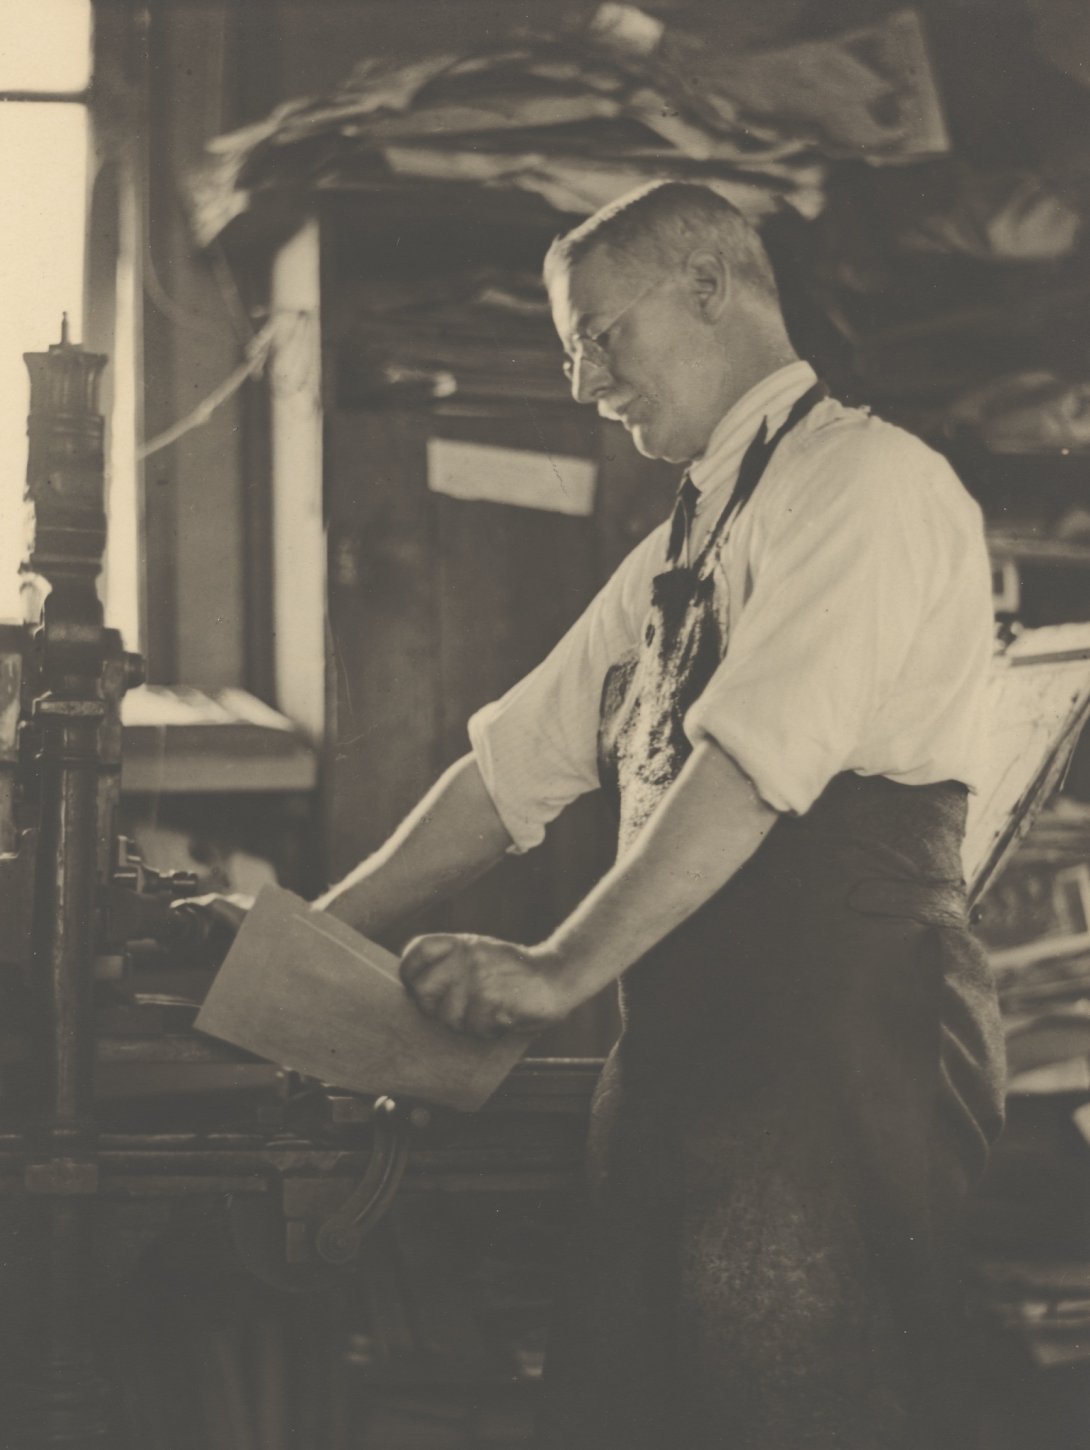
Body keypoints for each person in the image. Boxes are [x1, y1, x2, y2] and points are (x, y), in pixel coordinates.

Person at [205, 181, 1007, 1448]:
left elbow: (749, 766)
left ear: (706, 288)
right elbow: (509, 767)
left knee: (808, 1402)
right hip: (690, 1056)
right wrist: (297, 944)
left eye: (598, 338)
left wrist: (552, 967)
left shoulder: (865, 484)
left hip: (840, 1050)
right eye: (568, 351)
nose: (585, 384)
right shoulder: (691, 531)